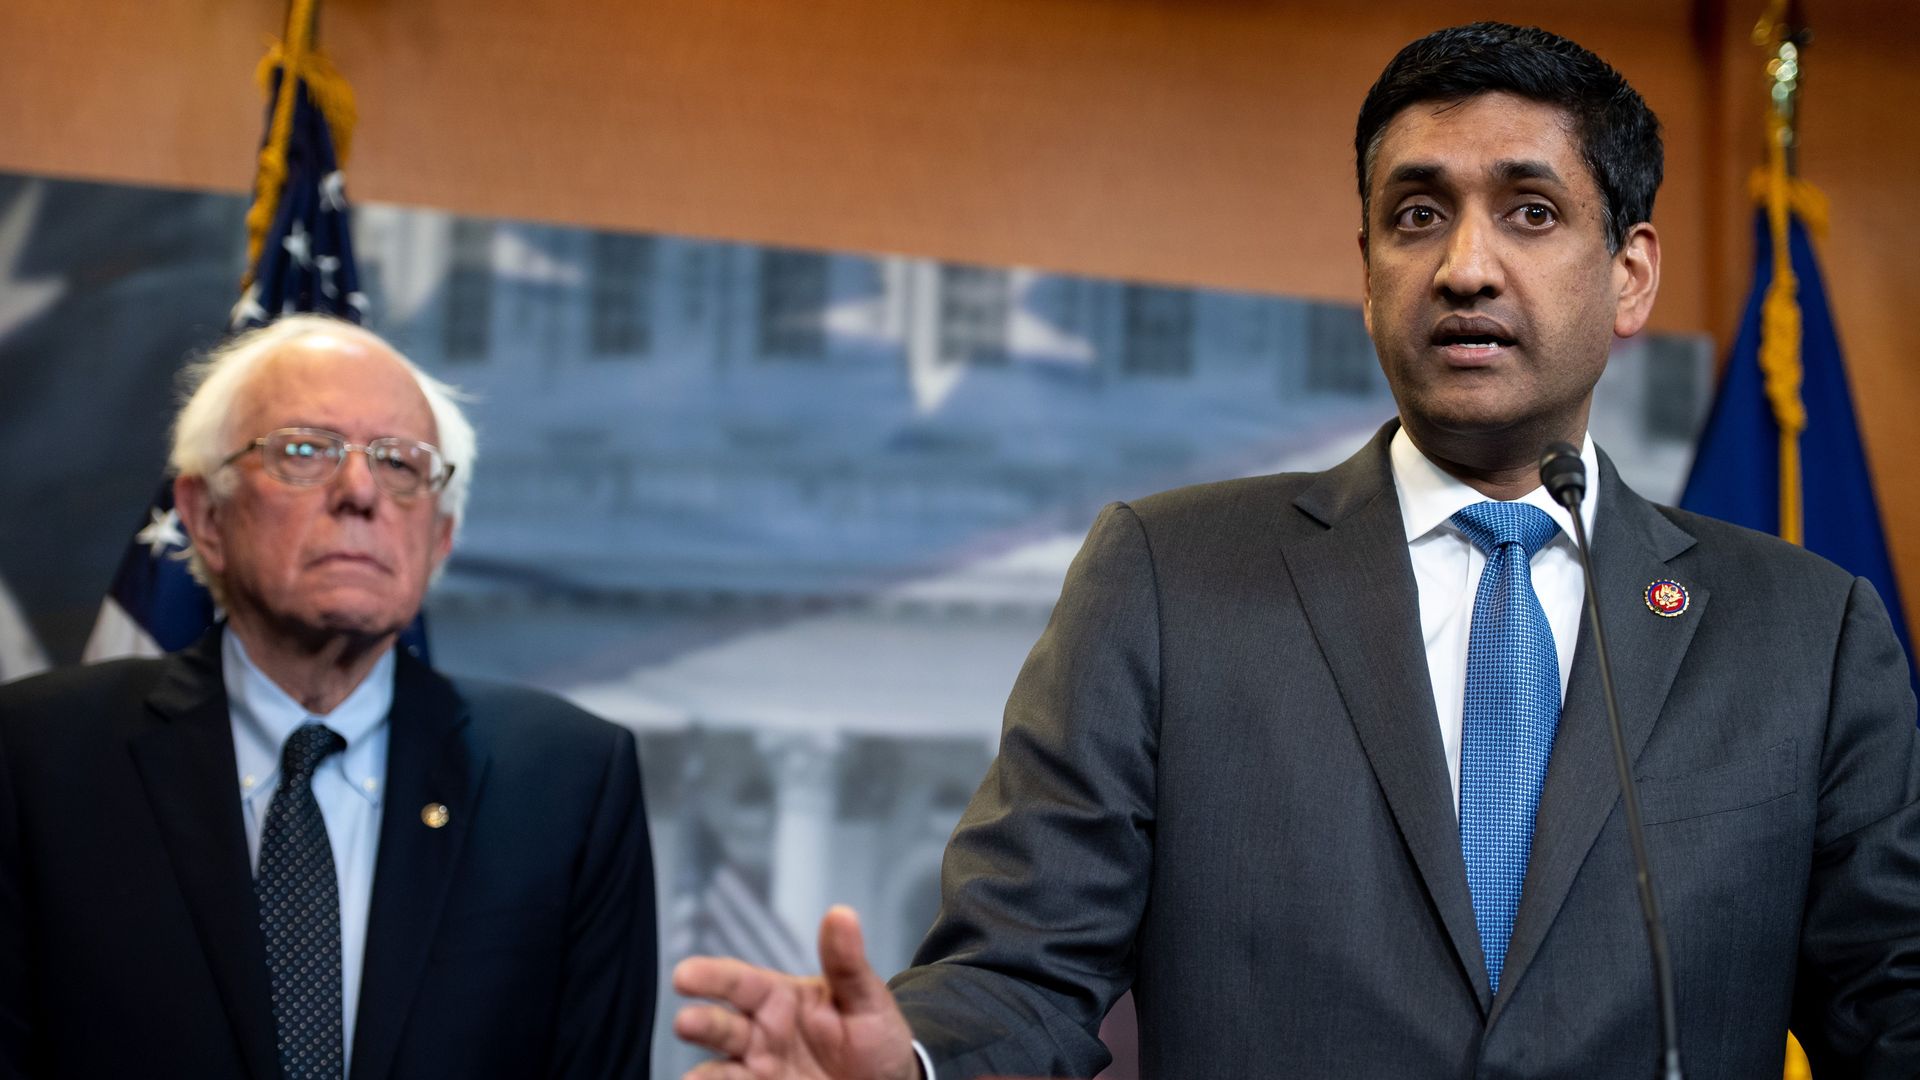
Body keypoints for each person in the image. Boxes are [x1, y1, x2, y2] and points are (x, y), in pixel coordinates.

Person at [671, 21, 1920, 1080]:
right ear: (1369, 273)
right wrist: (915, 1062)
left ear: (1630, 275)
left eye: (1531, 212)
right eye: (1416, 215)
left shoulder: (1805, 634)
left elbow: (1891, 1002)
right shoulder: (1166, 578)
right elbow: (1020, 968)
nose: (1466, 267)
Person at [0, 315, 657, 1079]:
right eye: (306, 451)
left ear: (438, 538)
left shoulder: (567, 783)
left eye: (401, 464)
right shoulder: (38, 759)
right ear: (204, 516)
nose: (359, 490)